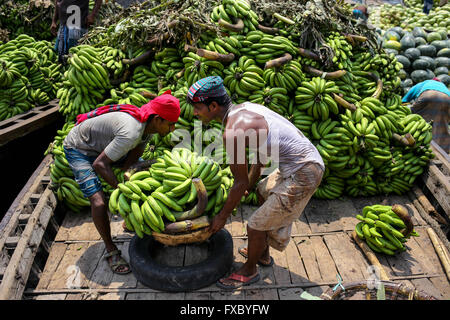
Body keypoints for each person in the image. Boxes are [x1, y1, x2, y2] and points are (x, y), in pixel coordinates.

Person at [186, 76, 324, 289]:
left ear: (213, 106)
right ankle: (263, 254)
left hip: (304, 172)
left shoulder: (232, 132)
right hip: (300, 163)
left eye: (197, 108)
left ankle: (249, 271)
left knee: (254, 225)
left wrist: (222, 217)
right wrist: (249, 184)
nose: (195, 113)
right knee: (262, 191)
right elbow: (260, 158)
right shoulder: (245, 109)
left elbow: (238, 182)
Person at [63, 92, 180, 274]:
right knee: (99, 201)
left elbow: (131, 164)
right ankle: (111, 250)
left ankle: (131, 221)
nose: (173, 129)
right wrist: (124, 191)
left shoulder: (147, 130)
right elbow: (100, 165)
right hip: (79, 148)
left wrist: (130, 176)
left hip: (102, 146)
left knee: (142, 172)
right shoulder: (131, 132)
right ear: (158, 119)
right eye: (171, 124)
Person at [402, 78, 450, 153]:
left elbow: (405, 99)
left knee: (417, 119)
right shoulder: (444, 87)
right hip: (447, 99)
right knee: (442, 124)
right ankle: (443, 151)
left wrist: (402, 106)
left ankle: (417, 144)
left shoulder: (423, 83)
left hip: (428, 95)